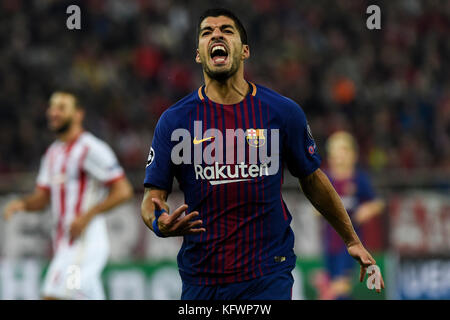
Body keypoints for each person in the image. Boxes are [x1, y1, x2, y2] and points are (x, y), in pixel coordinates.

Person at [141, 8, 384, 300]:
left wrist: (351, 239)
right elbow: (152, 198)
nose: (216, 34)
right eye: (207, 32)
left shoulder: (282, 112)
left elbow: (312, 178)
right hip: (201, 277)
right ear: (198, 54)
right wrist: (158, 222)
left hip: (268, 273)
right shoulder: (174, 121)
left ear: (244, 51)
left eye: (226, 30)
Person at [3, 91, 134, 300]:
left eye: (61, 108)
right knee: (77, 295)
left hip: (84, 244)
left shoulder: (91, 149)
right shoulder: (53, 153)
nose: (53, 112)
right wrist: (20, 204)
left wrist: (87, 216)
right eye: (52, 107)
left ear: (78, 114)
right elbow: (43, 198)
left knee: (57, 295)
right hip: (65, 246)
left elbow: (123, 190)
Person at [315, 131, 385, 299]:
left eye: (344, 151)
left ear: (353, 155)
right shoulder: (326, 179)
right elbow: (316, 206)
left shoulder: (359, 179)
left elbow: (377, 203)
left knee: (341, 286)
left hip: (350, 244)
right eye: (335, 152)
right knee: (336, 285)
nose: (339, 156)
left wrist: (367, 209)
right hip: (329, 242)